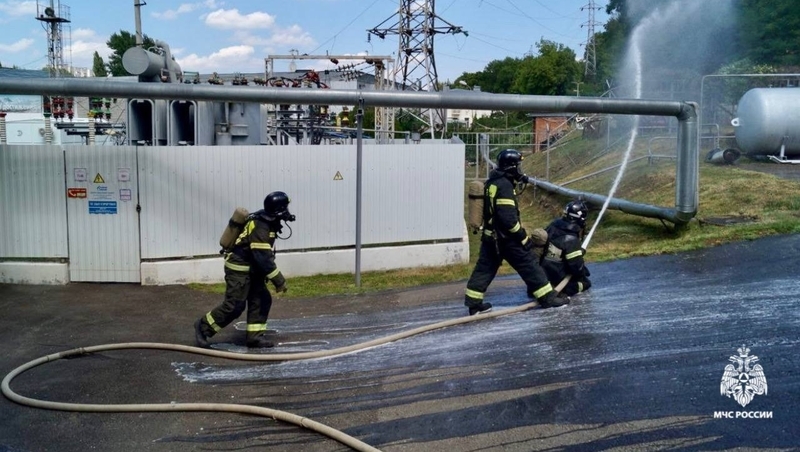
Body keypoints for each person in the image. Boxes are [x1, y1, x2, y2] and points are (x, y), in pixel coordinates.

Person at [464, 149, 570, 315]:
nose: (520, 169)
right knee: (529, 265)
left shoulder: (493, 181)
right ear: (511, 167)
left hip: (491, 237)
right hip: (507, 240)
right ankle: (547, 298)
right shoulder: (505, 186)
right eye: (518, 166)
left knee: (484, 269)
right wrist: (523, 238)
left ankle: (474, 304)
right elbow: (509, 220)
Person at [194, 191, 295, 349]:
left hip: (252, 268)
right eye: (286, 207)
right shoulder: (261, 226)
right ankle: (202, 327)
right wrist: (279, 281)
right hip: (239, 269)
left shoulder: (266, 219)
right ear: (279, 209)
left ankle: (254, 338)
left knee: (261, 300)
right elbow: (263, 258)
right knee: (234, 306)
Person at [537, 200, 592, 296]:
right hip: (557, 276)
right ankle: (562, 290)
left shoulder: (554, 225)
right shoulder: (571, 239)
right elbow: (576, 268)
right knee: (585, 283)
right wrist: (583, 270)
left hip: (542, 272)